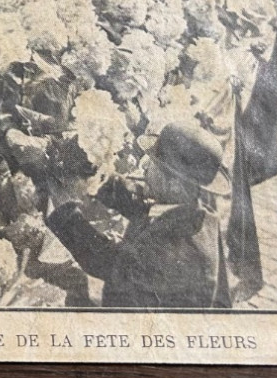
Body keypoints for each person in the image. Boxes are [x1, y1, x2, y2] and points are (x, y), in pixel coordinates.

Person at [44, 122, 232, 309]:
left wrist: (65, 209)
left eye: (153, 164)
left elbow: (108, 262)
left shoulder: (178, 249)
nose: (145, 167)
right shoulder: (197, 213)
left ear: (174, 184)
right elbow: (141, 208)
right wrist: (100, 178)